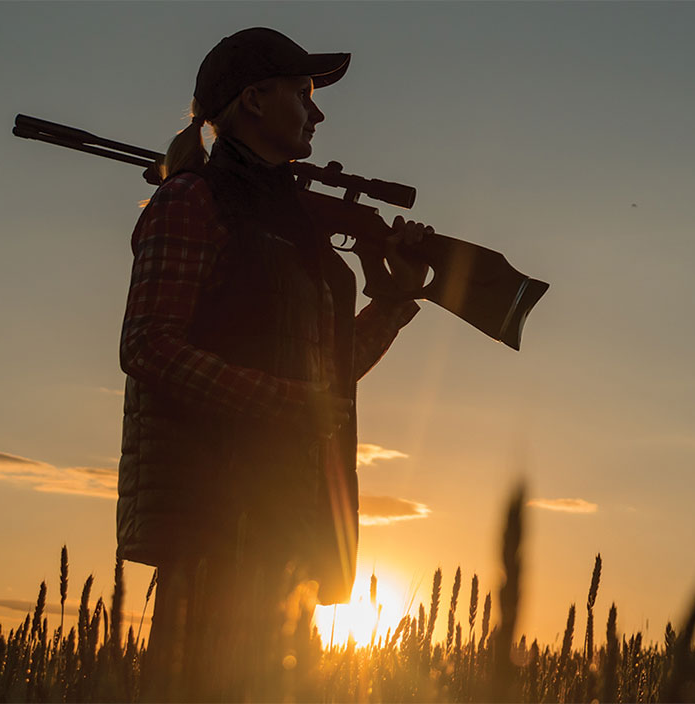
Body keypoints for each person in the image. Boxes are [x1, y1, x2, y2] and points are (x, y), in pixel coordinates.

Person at [116, 27, 429, 700]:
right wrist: (284, 402)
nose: (317, 112)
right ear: (255, 101)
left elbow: (326, 383)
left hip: (288, 527)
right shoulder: (191, 200)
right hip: (212, 527)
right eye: (304, 92)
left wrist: (397, 302)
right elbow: (145, 346)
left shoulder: (294, 227)